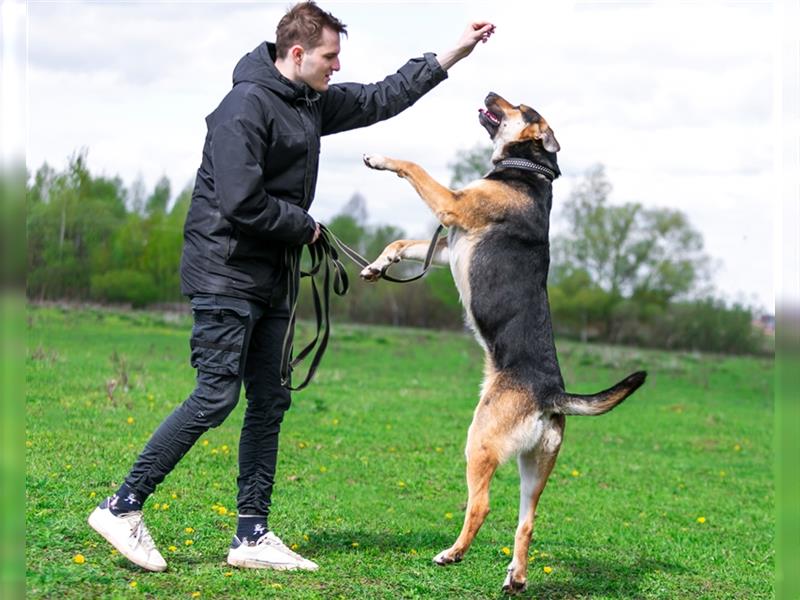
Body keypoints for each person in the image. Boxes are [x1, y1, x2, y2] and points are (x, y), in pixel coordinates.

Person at [88, 1, 495, 573]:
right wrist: (303, 224)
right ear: (298, 53)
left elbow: (382, 96)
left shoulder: (309, 103)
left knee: (270, 398)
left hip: (272, 274)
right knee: (216, 395)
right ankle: (121, 505)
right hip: (224, 269)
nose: (335, 67)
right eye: (329, 57)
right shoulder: (244, 107)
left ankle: (251, 536)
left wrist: (454, 50)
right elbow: (241, 200)